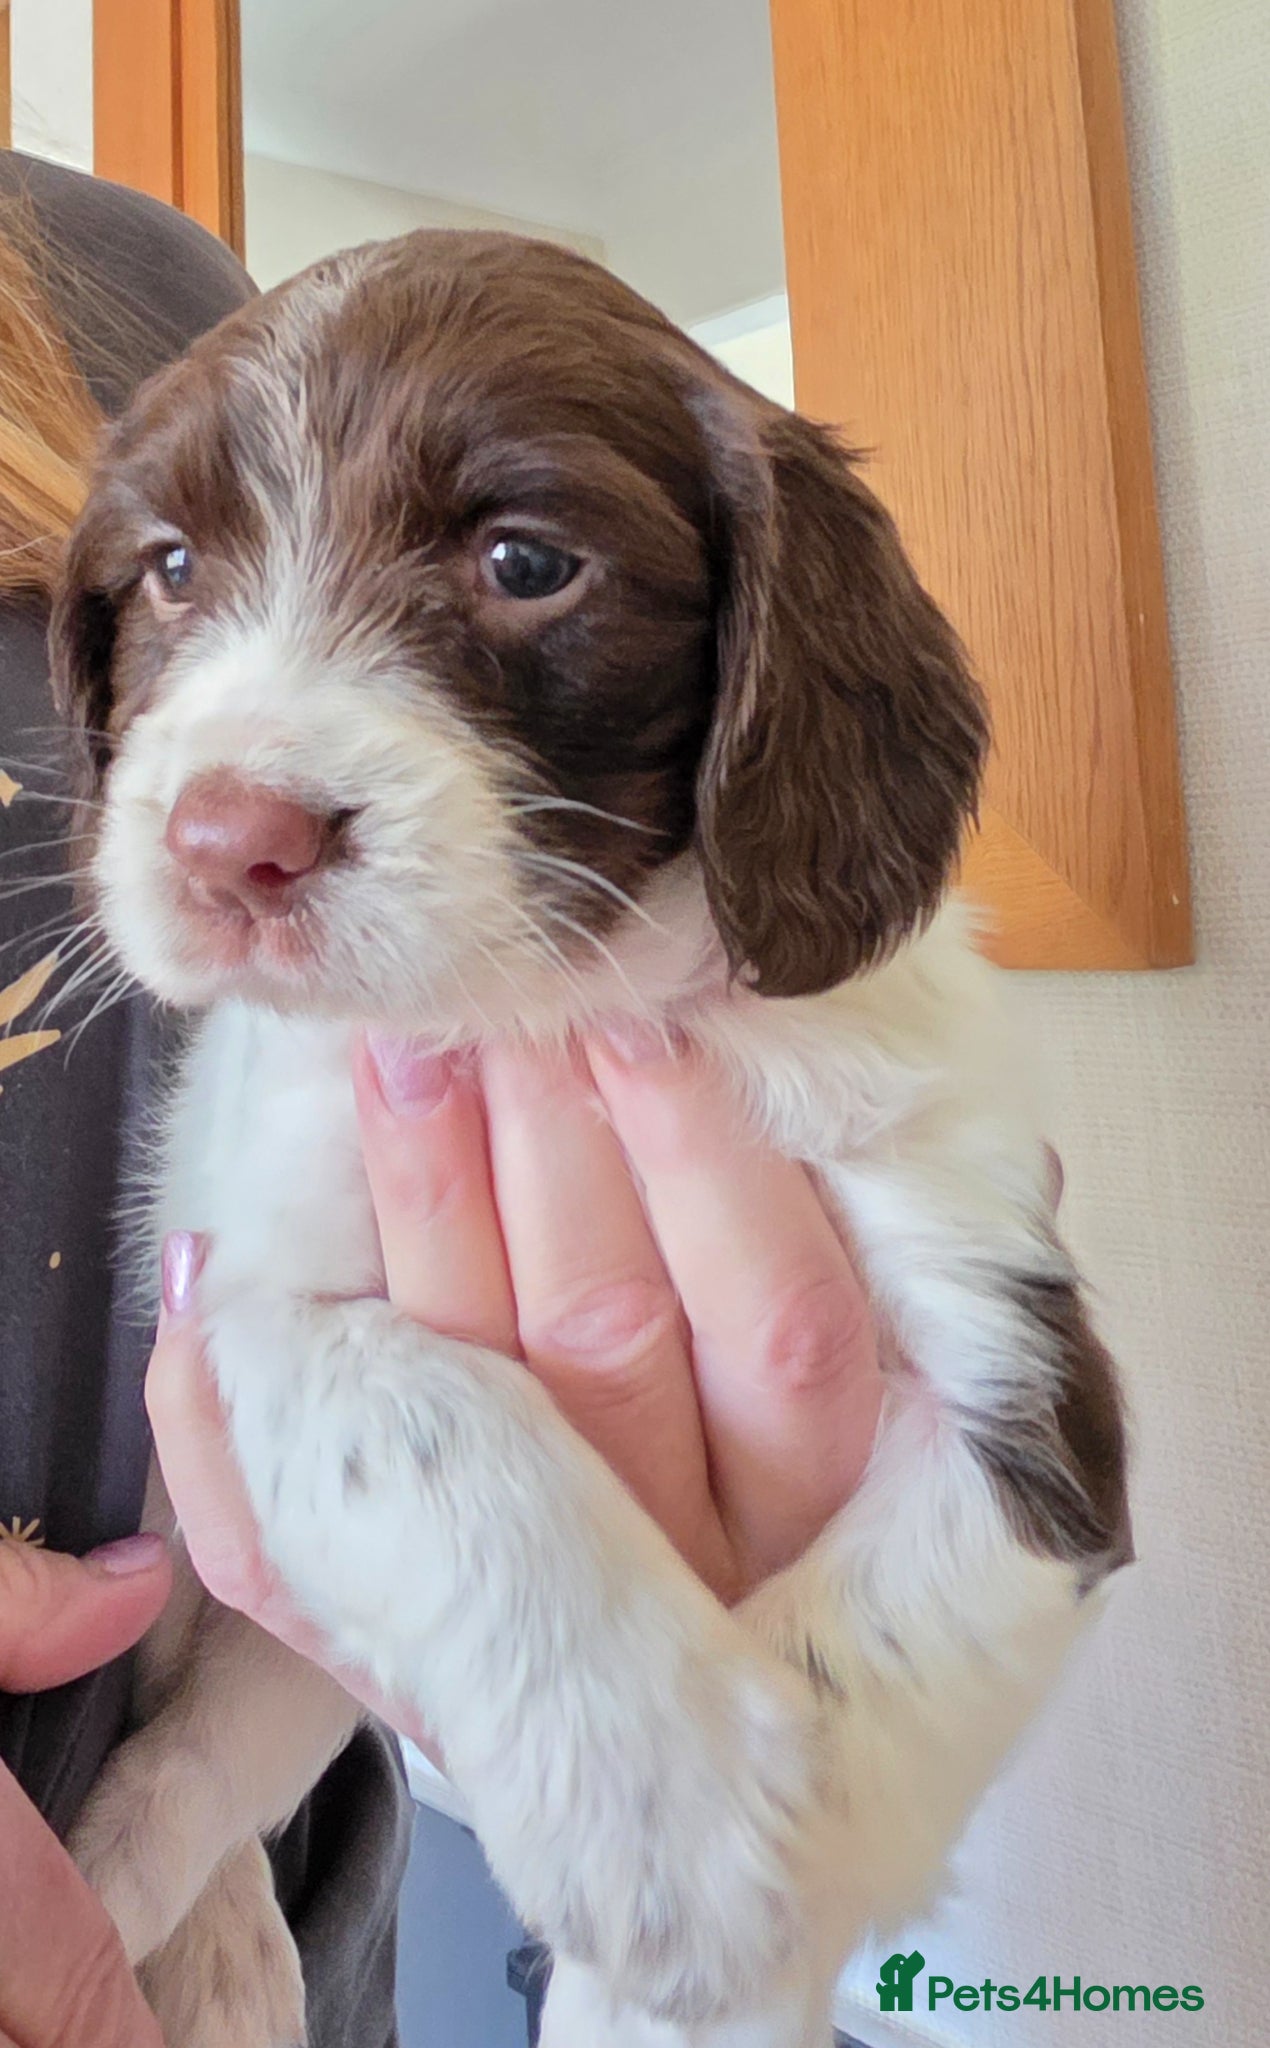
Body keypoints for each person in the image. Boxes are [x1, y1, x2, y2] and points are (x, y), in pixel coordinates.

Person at [0, 150, 884, 2041]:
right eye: (177, 576)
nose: (235, 803)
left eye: (513, 565)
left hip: (280, 1907)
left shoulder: (120, 278)